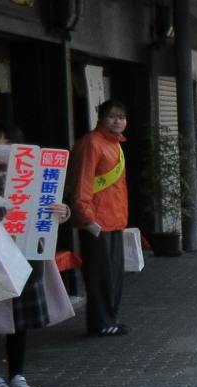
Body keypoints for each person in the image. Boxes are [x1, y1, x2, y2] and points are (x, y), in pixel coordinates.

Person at [0, 123, 73, 387]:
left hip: (26, 248)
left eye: (7, 140)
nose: (1, 145)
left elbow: (48, 206)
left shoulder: (34, 171)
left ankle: (17, 375)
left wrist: (62, 211)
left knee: (20, 316)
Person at [68, 100, 130, 336]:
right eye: (112, 116)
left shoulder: (114, 145)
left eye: (122, 117)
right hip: (96, 221)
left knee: (114, 275)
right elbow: (83, 182)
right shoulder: (92, 144)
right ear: (101, 118)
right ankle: (101, 322)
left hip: (114, 219)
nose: (118, 121)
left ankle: (110, 320)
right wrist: (86, 216)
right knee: (100, 276)